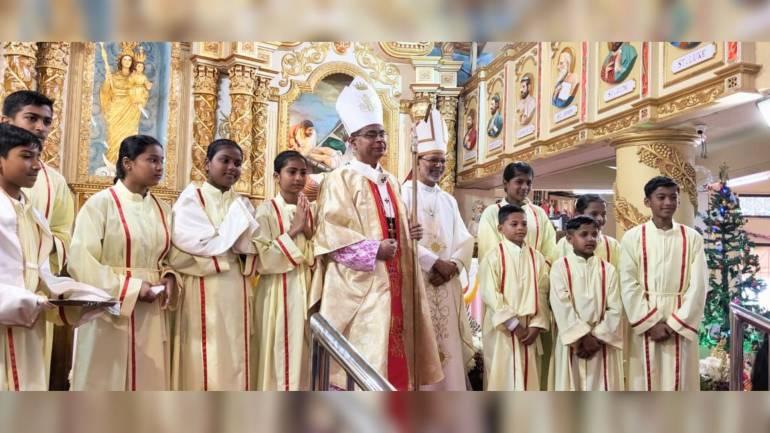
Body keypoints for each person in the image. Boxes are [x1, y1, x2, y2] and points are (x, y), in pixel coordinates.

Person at [310, 77, 442, 390]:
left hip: (397, 278)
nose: (379, 140)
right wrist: (373, 250)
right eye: (371, 134)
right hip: (363, 285)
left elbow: (390, 224)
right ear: (352, 141)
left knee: (399, 356)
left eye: (382, 133)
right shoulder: (340, 179)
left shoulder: (391, 181)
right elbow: (331, 234)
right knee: (367, 360)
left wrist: (407, 232)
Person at [0, 124, 113, 390]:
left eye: (38, 157)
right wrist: (23, 300)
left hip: (27, 325)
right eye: (26, 156)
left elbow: (39, 272)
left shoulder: (33, 214)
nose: (36, 165)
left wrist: (76, 296)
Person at [69, 135, 178, 390]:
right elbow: (81, 261)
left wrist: (169, 275)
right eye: (152, 160)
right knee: (104, 379)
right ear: (128, 163)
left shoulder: (164, 209)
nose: (159, 167)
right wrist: (131, 288)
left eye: (161, 161)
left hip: (150, 310)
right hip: (109, 306)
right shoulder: (100, 204)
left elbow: (169, 255)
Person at [168, 139, 259, 391]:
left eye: (237, 163)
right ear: (207, 164)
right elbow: (181, 250)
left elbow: (252, 249)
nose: (232, 167)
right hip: (202, 287)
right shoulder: (191, 200)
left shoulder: (242, 204)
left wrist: (243, 251)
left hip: (236, 288)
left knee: (235, 353)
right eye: (224, 160)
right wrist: (223, 250)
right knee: (203, 356)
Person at [2, 90, 78, 390]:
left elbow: (62, 235)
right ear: (6, 120)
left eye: (46, 121)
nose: (40, 127)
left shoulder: (53, 182)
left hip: (33, 298)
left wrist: (52, 284)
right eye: (31, 118)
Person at [403, 109, 475, 390]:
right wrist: (433, 262)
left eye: (442, 161)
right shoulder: (403, 193)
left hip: (445, 284)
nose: (438, 166)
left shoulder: (448, 200)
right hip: (419, 283)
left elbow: (465, 239)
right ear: (417, 160)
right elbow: (401, 238)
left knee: (448, 348)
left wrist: (453, 266)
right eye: (432, 160)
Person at [619, 176, 707, 391]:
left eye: (673, 197)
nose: (668, 202)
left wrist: (676, 323)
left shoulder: (692, 237)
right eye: (661, 197)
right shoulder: (632, 237)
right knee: (644, 380)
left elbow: (699, 284)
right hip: (645, 318)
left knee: (680, 381)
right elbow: (628, 283)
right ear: (647, 201)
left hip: (680, 317)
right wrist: (651, 323)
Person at [253, 150, 316, 391]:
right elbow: (263, 260)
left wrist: (309, 232)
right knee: (278, 351)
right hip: (276, 292)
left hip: (306, 287)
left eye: (303, 172)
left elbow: (318, 254)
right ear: (276, 176)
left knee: (304, 353)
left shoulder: (312, 209)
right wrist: (295, 229)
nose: (298, 178)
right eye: (292, 172)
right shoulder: (265, 211)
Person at [479, 205, 550, 390]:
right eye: (514, 224)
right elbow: (490, 294)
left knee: (529, 378)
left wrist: (537, 325)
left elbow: (542, 292)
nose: (520, 228)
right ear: (500, 228)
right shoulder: (493, 257)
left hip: (529, 329)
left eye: (524, 224)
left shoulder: (537, 258)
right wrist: (513, 324)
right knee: (501, 377)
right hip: (503, 330)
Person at [550, 216, 624, 391]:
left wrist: (597, 337)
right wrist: (582, 337)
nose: (591, 239)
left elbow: (615, 308)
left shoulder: (608, 270)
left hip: (601, 343)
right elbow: (561, 305)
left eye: (594, 234)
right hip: (573, 343)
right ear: (569, 238)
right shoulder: (560, 267)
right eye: (584, 234)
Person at [477, 161, 557, 264]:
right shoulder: (491, 213)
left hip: (537, 272)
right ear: (505, 183)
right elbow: (489, 252)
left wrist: (540, 270)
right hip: (503, 272)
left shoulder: (539, 213)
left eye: (529, 183)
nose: (525, 187)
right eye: (519, 182)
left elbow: (550, 249)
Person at [555, 194, 620, 268]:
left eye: (603, 214)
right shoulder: (564, 244)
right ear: (578, 215)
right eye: (594, 214)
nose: (600, 219)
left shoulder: (612, 245)